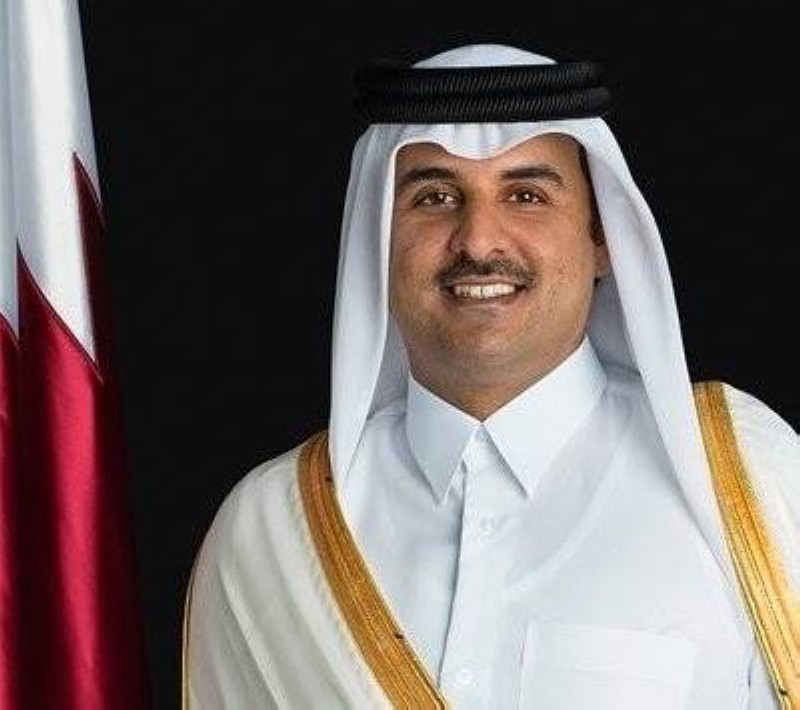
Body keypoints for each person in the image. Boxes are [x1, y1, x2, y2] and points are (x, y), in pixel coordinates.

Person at [182, 43, 799, 709]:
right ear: (378, 239)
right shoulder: (271, 531)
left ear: (601, 238)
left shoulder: (741, 476)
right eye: (435, 197)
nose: (478, 241)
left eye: (527, 195)